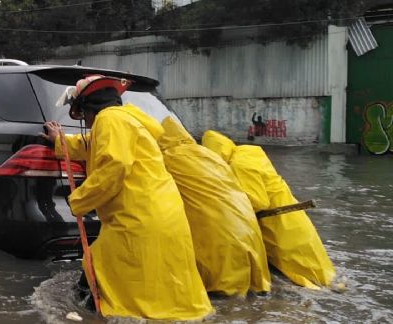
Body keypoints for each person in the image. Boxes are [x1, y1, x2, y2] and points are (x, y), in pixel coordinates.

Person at [41, 75, 212, 320]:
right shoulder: (128, 119)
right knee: (167, 288)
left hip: (137, 217)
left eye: (84, 115)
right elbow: (93, 144)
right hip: (164, 213)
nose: (87, 123)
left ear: (88, 108)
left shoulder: (109, 120)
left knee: (104, 275)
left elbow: (115, 166)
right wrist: (61, 142)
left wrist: (80, 200)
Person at [202, 130, 336, 289]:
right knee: (312, 261)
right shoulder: (249, 152)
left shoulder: (239, 165)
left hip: (278, 222)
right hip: (290, 213)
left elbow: (257, 201)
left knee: (297, 269)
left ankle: (317, 290)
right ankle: (330, 284)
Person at [157, 116, 270, 296]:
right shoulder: (210, 156)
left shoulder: (168, 159)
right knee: (253, 297)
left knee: (224, 297)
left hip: (220, 240)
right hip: (250, 233)